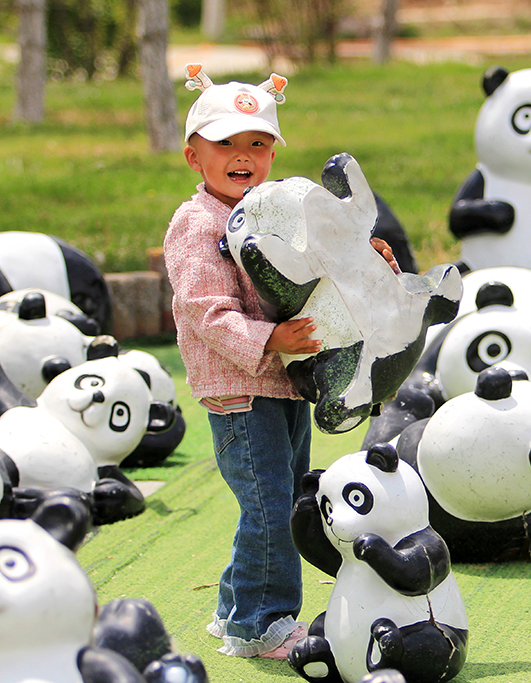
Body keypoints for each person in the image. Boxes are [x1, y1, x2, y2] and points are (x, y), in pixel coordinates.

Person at [163, 66, 398, 659]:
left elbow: (325, 268)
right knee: (269, 504)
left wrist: (367, 260)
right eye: (225, 145)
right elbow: (202, 309)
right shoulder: (199, 224)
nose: (243, 156)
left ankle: (231, 607)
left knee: (283, 498)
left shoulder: (279, 214)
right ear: (194, 157)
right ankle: (259, 622)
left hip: (287, 383)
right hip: (240, 389)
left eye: (257, 144)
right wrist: (269, 339)